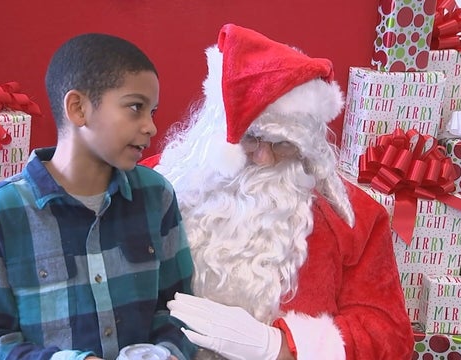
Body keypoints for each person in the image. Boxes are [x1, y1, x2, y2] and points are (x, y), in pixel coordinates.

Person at [144, 24, 414, 359]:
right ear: (216, 130)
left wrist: (280, 346)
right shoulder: (151, 186)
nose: (264, 158)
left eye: (283, 145)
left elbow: (390, 335)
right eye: (251, 139)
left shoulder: (355, 218)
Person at [0, 33, 197, 360]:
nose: (151, 127)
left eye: (152, 112)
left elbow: (180, 309)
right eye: (136, 108)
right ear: (78, 108)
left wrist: (168, 352)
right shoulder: (1, 212)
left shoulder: (157, 196)